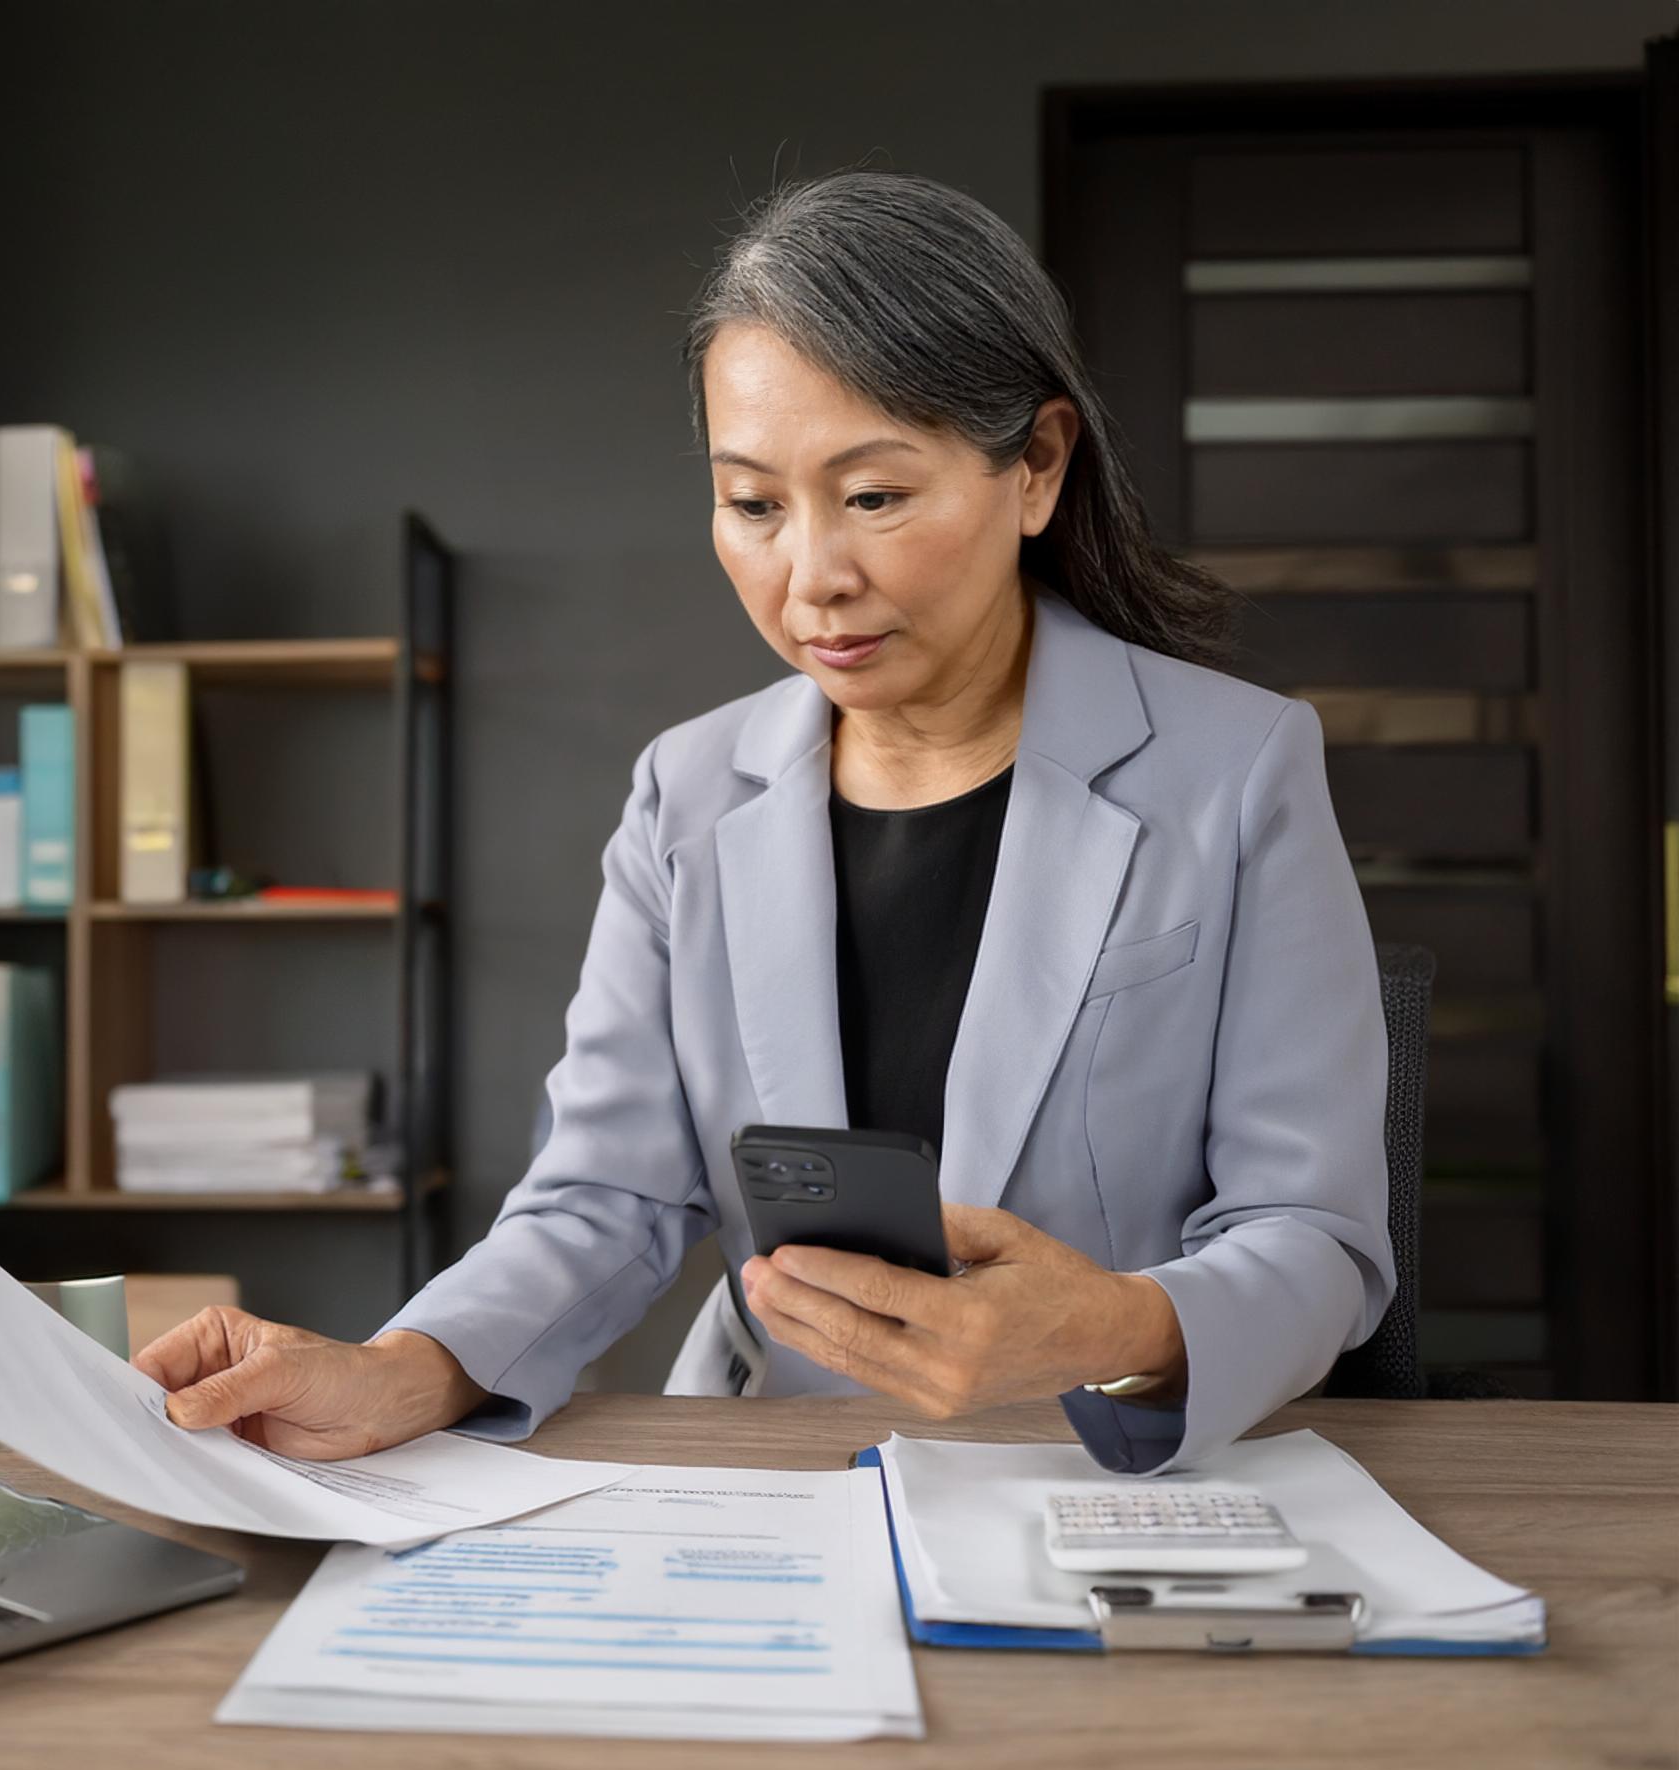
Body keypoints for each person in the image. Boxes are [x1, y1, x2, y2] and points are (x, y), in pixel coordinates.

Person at [133, 170, 1391, 1476]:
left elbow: (1320, 1238)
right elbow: (604, 1199)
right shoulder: (687, 793)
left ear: (1037, 466)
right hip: (786, 1482)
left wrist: (1114, 1325)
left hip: (1109, 1483)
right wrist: (406, 1370)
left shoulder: (1234, 770)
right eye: (754, 505)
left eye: (876, 496)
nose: (812, 578)